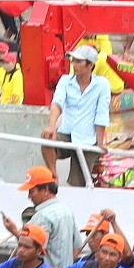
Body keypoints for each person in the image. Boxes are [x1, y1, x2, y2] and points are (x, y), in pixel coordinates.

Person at [44, 43, 112, 186]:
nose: (74, 64)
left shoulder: (102, 85)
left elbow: (101, 113)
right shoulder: (65, 81)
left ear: (90, 65)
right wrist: (51, 127)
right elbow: (57, 104)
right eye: (73, 61)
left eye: (79, 61)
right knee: (46, 141)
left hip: (87, 139)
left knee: (78, 184)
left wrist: (100, 143)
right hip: (66, 133)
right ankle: (53, 177)